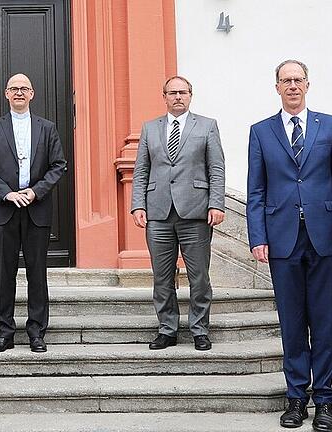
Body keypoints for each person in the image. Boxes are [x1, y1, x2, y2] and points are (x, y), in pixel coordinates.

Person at [247, 59, 332, 431]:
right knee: (292, 323)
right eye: (285, 80)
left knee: (324, 323)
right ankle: (296, 398)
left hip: (325, 239)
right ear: (276, 87)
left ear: (308, 84)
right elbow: (256, 190)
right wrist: (258, 236)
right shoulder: (261, 132)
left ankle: (324, 399)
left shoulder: (330, 126)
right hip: (282, 240)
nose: (292, 86)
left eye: (298, 80)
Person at [131, 75, 225, 352]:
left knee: (199, 276)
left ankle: (199, 329)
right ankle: (167, 329)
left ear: (190, 95)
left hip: (195, 211)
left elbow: (216, 168)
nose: (178, 97)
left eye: (182, 92)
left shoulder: (207, 126)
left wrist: (216, 203)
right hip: (158, 212)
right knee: (162, 276)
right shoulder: (150, 128)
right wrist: (138, 205)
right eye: (172, 93)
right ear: (164, 96)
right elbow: (141, 170)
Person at [0, 73, 66, 354]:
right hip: (3, 210)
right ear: (6, 94)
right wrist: (7, 192)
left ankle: (37, 331)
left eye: (24, 88)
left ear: (32, 94)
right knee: (5, 273)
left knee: (37, 273)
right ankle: (4, 332)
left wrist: (35, 191)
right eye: (14, 88)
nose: (19, 92)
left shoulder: (47, 128)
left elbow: (58, 165)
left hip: (36, 209)